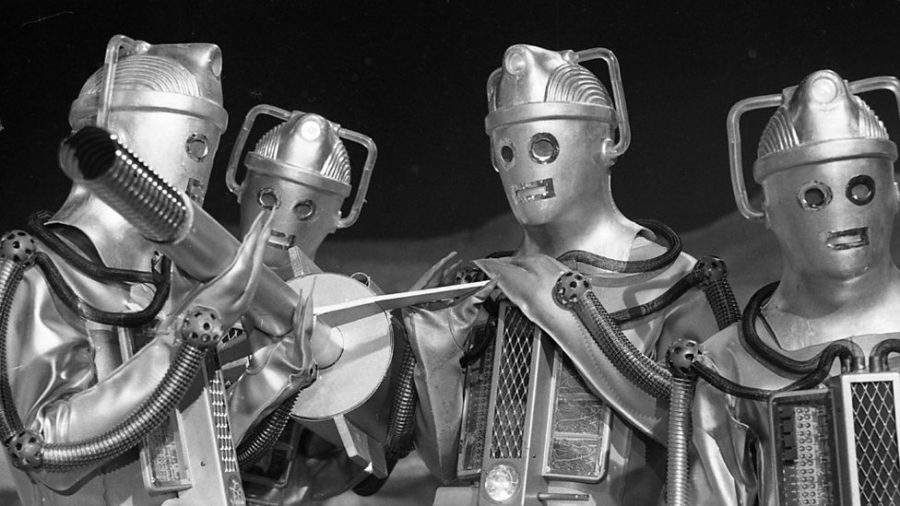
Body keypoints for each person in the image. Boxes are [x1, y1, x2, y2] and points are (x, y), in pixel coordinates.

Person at [406, 44, 730, 505]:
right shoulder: (483, 293)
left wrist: (566, 318)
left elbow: (717, 439)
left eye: (544, 146)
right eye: (507, 151)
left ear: (608, 141)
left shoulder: (673, 283)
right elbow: (443, 456)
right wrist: (429, 353)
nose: (524, 168)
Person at [0, 35, 312, 505]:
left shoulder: (172, 281)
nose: (198, 168)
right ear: (114, 142)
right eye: (191, 143)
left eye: (206, 146)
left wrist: (269, 378)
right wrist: (189, 334)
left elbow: (188, 455)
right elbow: (49, 455)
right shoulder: (38, 271)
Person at [690, 70, 900, 505]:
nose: (841, 214)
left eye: (860, 189)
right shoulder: (730, 363)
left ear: (892, 191)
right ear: (767, 209)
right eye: (815, 197)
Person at [222, 106, 392, 504]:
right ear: (240, 186)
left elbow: (371, 452)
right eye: (268, 197)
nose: (280, 220)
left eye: (305, 208)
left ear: (339, 216)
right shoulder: (194, 281)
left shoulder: (347, 313)